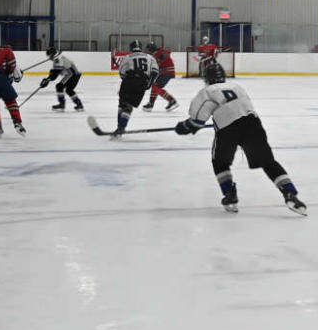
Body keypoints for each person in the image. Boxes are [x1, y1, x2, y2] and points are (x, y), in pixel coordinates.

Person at [175, 62, 306, 215]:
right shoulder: (237, 87)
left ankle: (230, 195)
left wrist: (184, 127)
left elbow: (197, 121)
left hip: (228, 129)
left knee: (220, 162)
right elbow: (242, 108)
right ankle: (290, 193)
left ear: (206, 78)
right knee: (268, 162)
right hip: (252, 124)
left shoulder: (207, 92)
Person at [113, 40, 158, 138]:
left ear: (131, 48)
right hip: (142, 83)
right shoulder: (150, 57)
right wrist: (148, 84)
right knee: (129, 107)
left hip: (128, 81)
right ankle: (122, 126)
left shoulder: (127, 57)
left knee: (122, 105)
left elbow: (121, 73)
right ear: (141, 47)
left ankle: (120, 127)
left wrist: (127, 82)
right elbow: (155, 71)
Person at [40, 45, 83, 112]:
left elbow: (55, 74)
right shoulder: (58, 57)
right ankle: (78, 104)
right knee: (67, 89)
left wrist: (48, 79)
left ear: (52, 54)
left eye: (49, 55)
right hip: (72, 74)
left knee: (61, 87)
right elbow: (55, 72)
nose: (48, 57)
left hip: (72, 74)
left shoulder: (57, 59)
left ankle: (63, 104)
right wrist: (49, 77)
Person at [141, 41, 178, 111]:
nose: (146, 51)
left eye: (147, 50)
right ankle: (151, 104)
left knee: (155, 87)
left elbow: (163, 58)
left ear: (150, 49)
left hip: (167, 72)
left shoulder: (159, 53)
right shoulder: (157, 54)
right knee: (155, 86)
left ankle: (172, 100)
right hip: (165, 72)